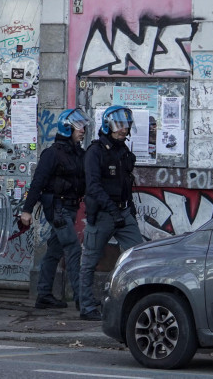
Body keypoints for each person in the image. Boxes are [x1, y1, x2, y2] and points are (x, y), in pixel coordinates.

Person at [77, 105, 144, 321]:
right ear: (108, 126)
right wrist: (113, 210)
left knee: (140, 255)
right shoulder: (95, 152)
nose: (123, 130)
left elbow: (125, 183)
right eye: (119, 125)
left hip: (122, 212)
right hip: (104, 214)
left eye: (126, 125)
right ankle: (86, 306)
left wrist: (128, 208)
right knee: (89, 261)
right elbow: (93, 187)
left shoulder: (122, 151)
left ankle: (138, 301)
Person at [19, 108, 88, 310]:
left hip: (69, 207)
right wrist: (27, 210)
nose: (82, 130)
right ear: (67, 128)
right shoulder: (52, 154)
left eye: (83, 126)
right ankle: (82, 300)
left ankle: (44, 294)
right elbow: (38, 182)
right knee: (73, 249)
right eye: (78, 127)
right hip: (57, 209)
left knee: (55, 250)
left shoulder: (79, 154)